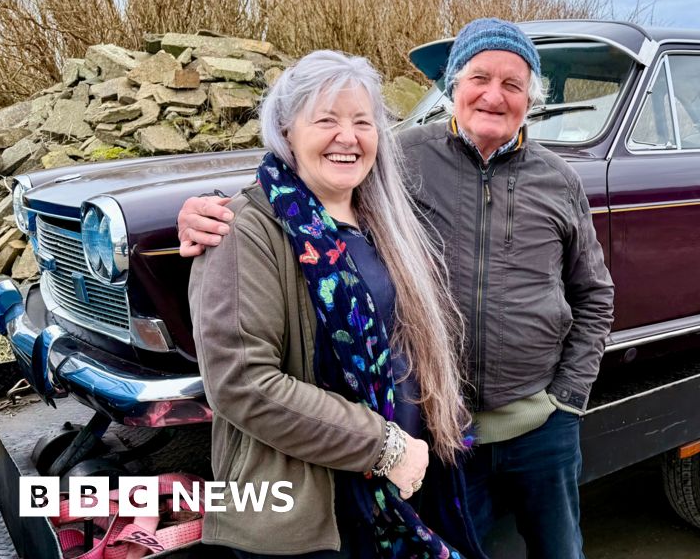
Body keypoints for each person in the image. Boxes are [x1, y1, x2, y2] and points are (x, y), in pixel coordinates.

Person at [180, 19, 614, 559]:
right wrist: (205, 210)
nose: (494, 96)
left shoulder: (560, 179)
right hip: (446, 434)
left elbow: (594, 294)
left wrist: (569, 396)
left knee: (560, 550)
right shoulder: (401, 158)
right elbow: (308, 178)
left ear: (532, 99)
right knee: (460, 546)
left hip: (539, 426)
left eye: (513, 84)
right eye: (480, 77)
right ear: (453, 83)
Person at [188, 50, 485, 559]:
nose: (347, 137)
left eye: (362, 122)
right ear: (286, 129)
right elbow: (241, 382)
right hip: (314, 516)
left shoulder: (383, 217)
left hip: (399, 493)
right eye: (326, 119)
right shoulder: (245, 229)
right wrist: (385, 447)